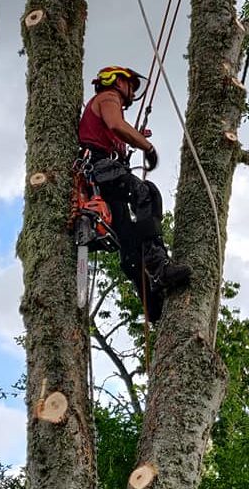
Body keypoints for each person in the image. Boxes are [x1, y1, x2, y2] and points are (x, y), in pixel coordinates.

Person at [78, 65, 191, 320]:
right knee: (146, 192)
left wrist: (132, 139)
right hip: (99, 168)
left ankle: (152, 304)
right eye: (131, 85)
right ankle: (159, 267)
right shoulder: (109, 97)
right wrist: (147, 146)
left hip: (102, 176)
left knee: (128, 242)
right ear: (118, 81)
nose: (132, 92)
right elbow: (116, 125)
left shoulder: (108, 107)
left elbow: (115, 131)